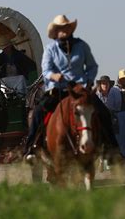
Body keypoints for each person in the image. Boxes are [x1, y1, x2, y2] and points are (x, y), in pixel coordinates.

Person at [24, 14, 119, 159]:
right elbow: (46, 70)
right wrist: (54, 76)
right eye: (60, 28)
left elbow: (92, 66)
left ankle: (111, 149)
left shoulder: (82, 46)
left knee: (103, 112)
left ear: (70, 29)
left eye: (66, 28)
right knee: (37, 113)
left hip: (79, 90)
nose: (64, 31)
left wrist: (88, 80)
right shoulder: (50, 50)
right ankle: (31, 148)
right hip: (58, 90)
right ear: (55, 32)